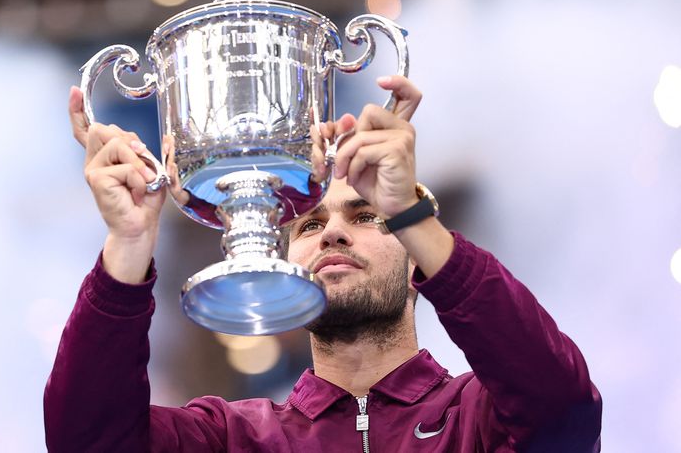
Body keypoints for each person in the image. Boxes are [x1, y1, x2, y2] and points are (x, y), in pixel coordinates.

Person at [44, 76, 602, 452]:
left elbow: (562, 404)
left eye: (367, 217)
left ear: (420, 267)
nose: (332, 229)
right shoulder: (235, 437)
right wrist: (129, 239)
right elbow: (85, 438)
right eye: (309, 225)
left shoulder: (478, 418)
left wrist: (408, 209)